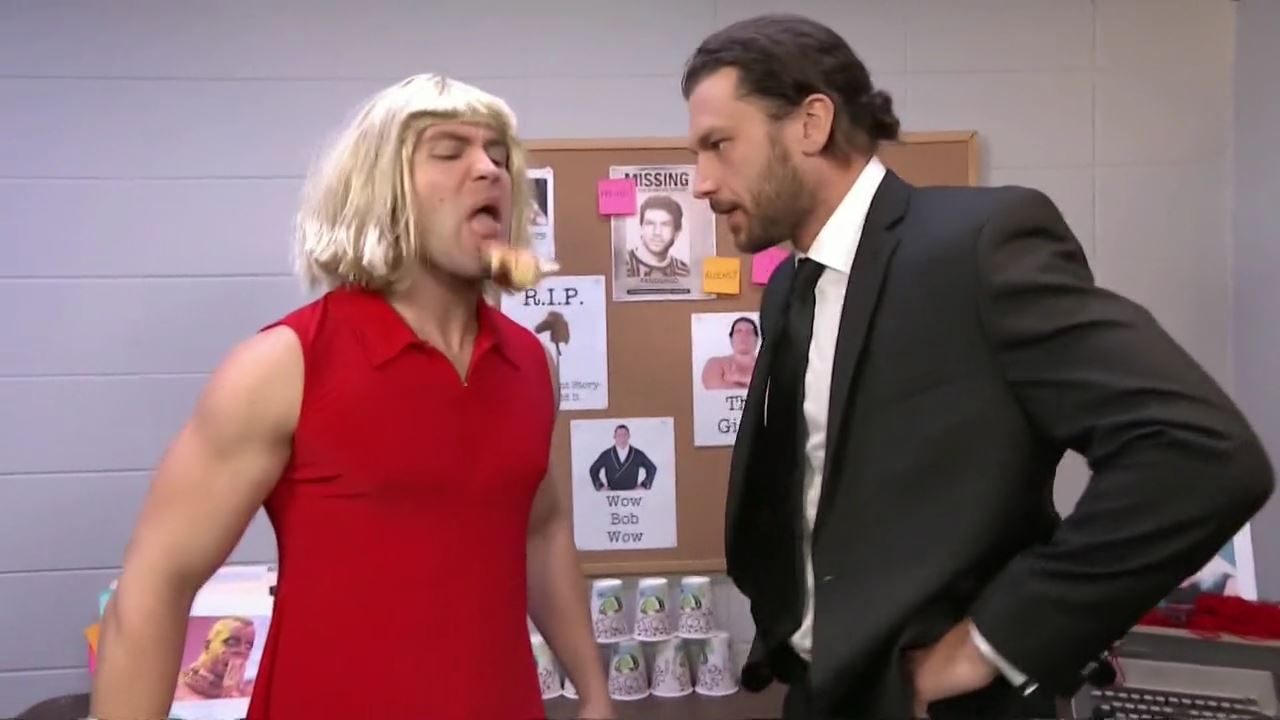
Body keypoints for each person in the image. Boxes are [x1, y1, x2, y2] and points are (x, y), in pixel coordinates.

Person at [681, 14, 1274, 720]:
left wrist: (992, 643)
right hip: (823, 693)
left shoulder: (977, 248)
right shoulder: (789, 286)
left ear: (811, 124)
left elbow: (1201, 455)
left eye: (719, 145)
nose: (701, 182)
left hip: (947, 700)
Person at [90, 74, 614, 720]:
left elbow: (541, 529)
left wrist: (595, 696)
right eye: (449, 151)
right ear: (379, 189)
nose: (489, 170)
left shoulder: (531, 365)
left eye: (499, 155)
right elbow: (155, 584)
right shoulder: (283, 366)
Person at [172, 617, 256, 701]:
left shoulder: (249, 692)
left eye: (248, 646)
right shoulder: (177, 687)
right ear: (208, 646)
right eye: (231, 643)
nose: (242, 651)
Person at [625, 194, 692, 277]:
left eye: (665, 225)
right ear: (641, 228)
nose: (657, 232)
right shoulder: (622, 266)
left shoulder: (684, 272)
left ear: (677, 232)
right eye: (650, 224)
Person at [589, 425, 658, 491]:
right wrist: (600, 486)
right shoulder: (607, 454)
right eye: (619, 435)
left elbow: (652, 468)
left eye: (625, 435)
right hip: (611, 494)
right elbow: (593, 469)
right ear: (614, 436)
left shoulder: (637, 454)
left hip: (633, 495)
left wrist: (644, 485)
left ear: (629, 436)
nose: (622, 437)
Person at [702, 316, 760, 390]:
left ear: (756, 340)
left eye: (749, 332)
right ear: (731, 339)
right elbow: (713, 389)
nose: (743, 335)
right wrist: (752, 382)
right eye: (738, 331)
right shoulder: (715, 363)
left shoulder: (767, 366)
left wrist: (738, 377)